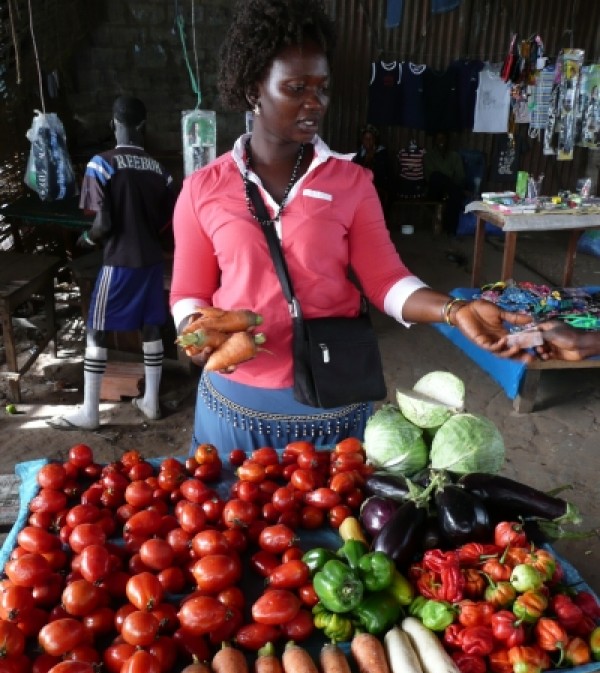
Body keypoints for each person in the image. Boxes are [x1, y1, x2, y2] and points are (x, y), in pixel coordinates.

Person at [169, 0, 531, 456]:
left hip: (333, 400)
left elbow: (386, 281)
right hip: (236, 403)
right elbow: (188, 290)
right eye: (296, 87)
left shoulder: (351, 182)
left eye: (322, 88)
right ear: (252, 90)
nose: (314, 102)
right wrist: (198, 335)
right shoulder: (203, 189)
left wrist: (453, 310)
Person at [48, 96, 176, 431]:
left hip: (119, 261)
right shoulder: (161, 173)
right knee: (150, 327)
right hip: (151, 263)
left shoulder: (101, 164)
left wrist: (87, 239)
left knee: (96, 329)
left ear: (113, 124)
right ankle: (150, 402)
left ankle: (90, 413)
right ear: (143, 127)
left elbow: (103, 225)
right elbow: (167, 226)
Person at [423, 131, 466, 236]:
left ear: (447, 141)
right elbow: (429, 176)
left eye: (443, 139)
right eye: (438, 139)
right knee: (437, 176)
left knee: (455, 195)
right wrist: (447, 180)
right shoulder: (429, 156)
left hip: (451, 190)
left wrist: (451, 185)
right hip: (435, 190)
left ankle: (451, 230)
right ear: (434, 141)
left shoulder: (454, 156)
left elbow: (460, 176)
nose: (440, 141)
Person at [352, 124, 393, 214]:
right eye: (365, 139)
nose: (368, 141)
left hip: (379, 190)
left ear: (375, 140)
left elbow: (383, 176)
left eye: (371, 138)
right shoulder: (358, 156)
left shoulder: (382, 155)